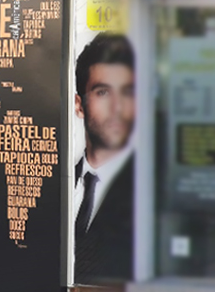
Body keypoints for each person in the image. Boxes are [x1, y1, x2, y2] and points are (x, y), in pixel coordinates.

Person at [73, 32, 135, 285]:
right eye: (103, 92)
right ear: (79, 105)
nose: (117, 108)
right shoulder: (55, 181)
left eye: (128, 92)